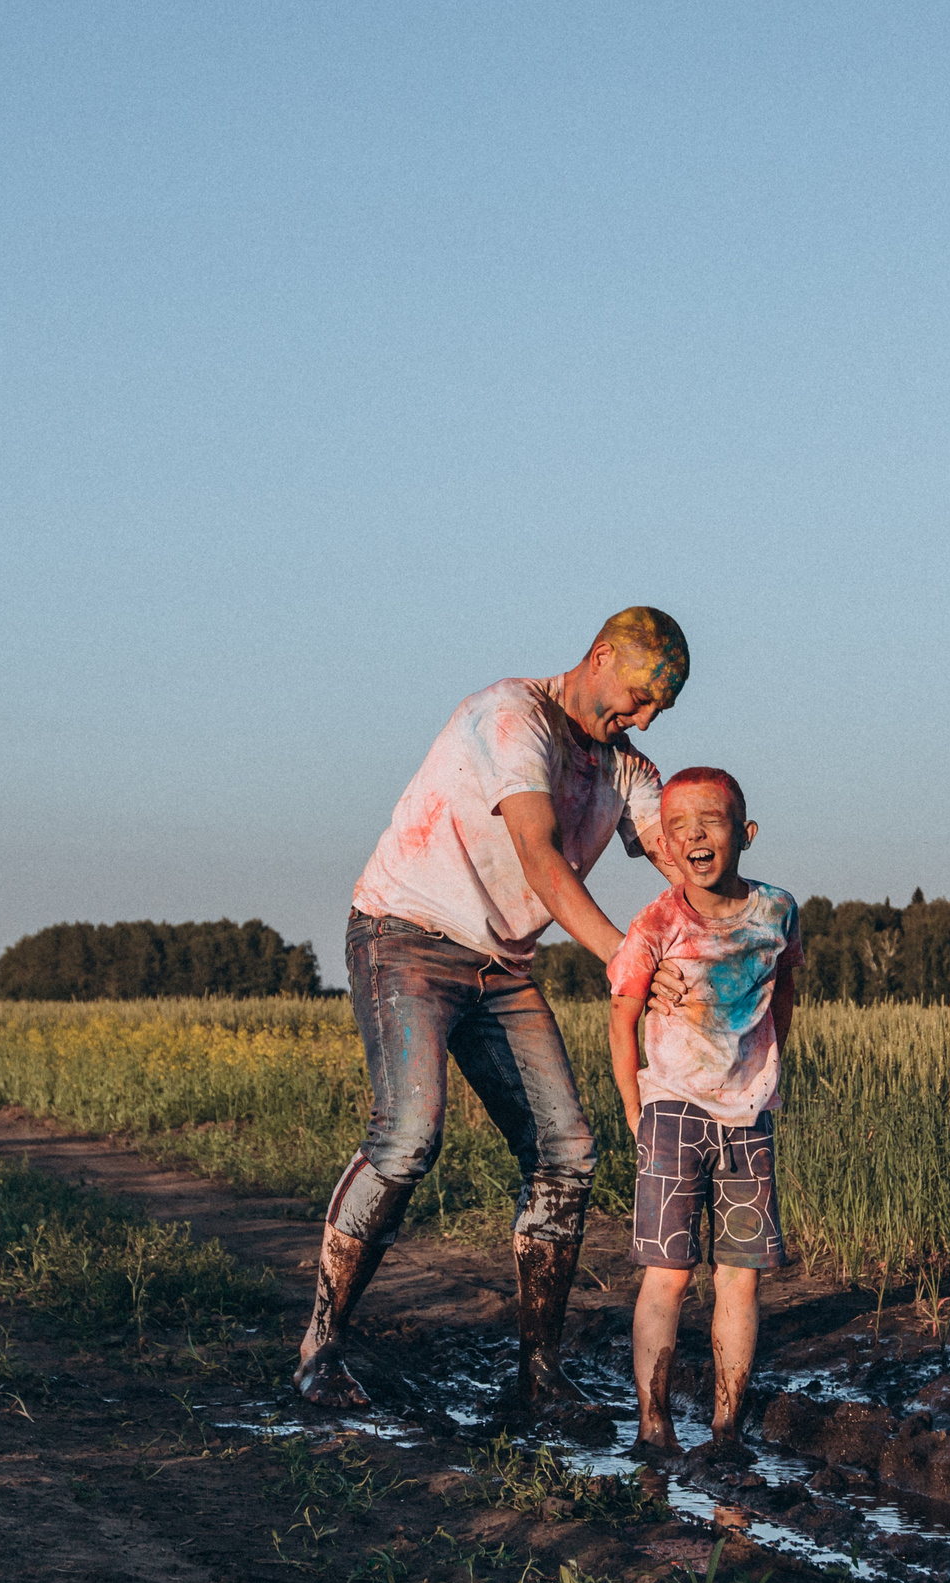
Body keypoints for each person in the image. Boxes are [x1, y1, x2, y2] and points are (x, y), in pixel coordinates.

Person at [296, 607, 693, 1415]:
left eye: (661, 708)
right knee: (409, 1136)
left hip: (500, 967)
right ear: (601, 654)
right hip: (404, 935)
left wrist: (732, 898)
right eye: (639, 695)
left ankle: (538, 1376)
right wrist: (630, 956)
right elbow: (542, 860)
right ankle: (320, 1347)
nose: (643, 718)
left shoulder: (626, 771)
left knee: (567, 1152)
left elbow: (680, 854)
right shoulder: (512, 718)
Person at [606, 766, 803, 1455]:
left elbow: (783, 994)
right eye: (679, 826)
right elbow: (622, 1015)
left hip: (748, 1115)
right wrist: (636, 1108)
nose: (695, 835)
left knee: (740, 1275)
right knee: (670, 1273)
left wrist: (774, 1070)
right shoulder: (657, 920)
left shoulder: (778, 911)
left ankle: (726, 1428)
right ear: (663, 840)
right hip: (673, 1109)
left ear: (744, 835)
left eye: (711, 822)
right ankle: (653, 1424)